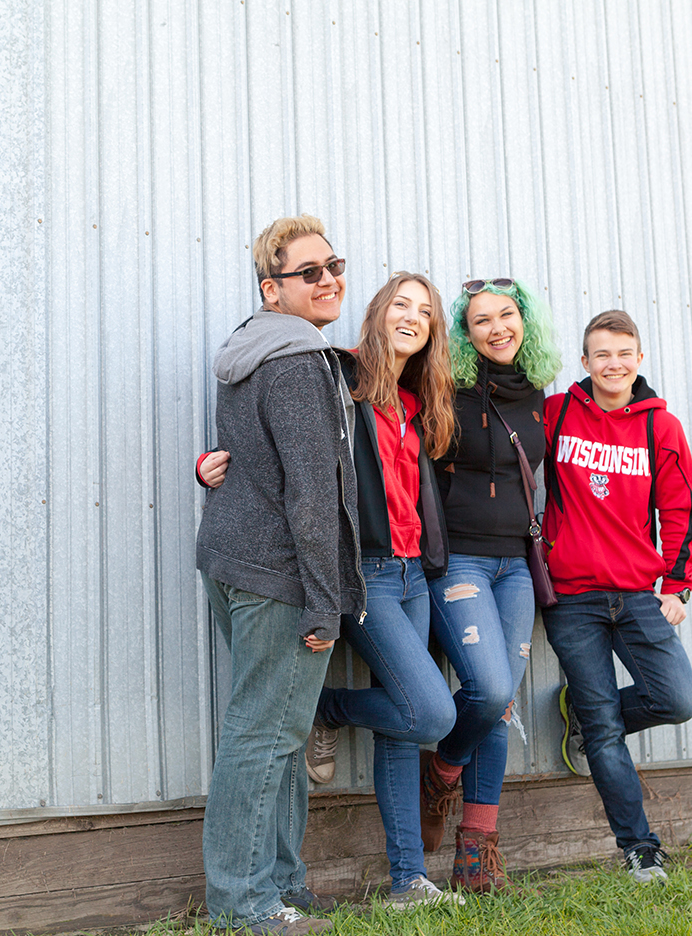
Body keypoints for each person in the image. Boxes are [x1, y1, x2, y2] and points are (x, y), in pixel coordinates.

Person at [201, 272, 465, 910]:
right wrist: (214, 469)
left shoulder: (419, 401)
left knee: (406, 726)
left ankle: (408, 880)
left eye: (424, 311)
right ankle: (328, 710)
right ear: (376, 314)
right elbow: (279, 453)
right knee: (431, 711)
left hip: (412, 572)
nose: (413, 317)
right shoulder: (336, 377)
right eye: (401, 304)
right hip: (364, 572)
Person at [195, 214, 360, 935]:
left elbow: (246, 463)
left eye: (334, 266)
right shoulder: (295, 360)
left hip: (234, 559)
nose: (329, 281)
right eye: (309, 273)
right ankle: (246, 904)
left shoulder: (251, 350)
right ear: (273, 289)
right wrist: (325, 600)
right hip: (277, 576)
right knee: (263, 736)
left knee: (278, 732)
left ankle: (283, 882)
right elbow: (310, 493)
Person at [540, 309, 692, 884]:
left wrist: (676, 586)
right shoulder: (556, 412)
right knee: (605, 731)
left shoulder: (662, 427)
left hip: (636, 593)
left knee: (678, 699)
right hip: (573, 598)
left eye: (623, 353)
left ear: (640, 359)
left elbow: (679, 509)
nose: (613, 364)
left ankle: (581, 714)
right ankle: (639, 848)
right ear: (584, 362)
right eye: (601, 354)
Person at [416, 278, 563, 894]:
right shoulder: (445, 391)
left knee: (498, 707)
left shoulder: (540, 398)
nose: (497, 327)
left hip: (515, 567)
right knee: (492, 686)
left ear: (525, 324)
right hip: (462, 564)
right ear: (465, 334)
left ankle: (476, 858)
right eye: (482, 320)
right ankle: (443, 769)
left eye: (508, 315)